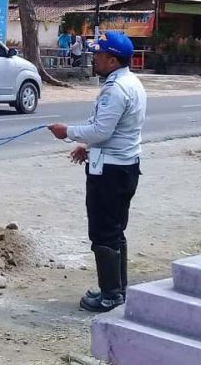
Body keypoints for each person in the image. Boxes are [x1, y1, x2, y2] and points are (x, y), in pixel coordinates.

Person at [47, 32, 146, 312]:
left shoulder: (116, 89)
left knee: (103, 233)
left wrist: (67, 133)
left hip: (111, 173)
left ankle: (111, 295)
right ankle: (117, 289)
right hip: (123, 167)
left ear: (112, 59)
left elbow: (102, 130)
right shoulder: (130, 82)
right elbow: (110, 130)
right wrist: (86, 147)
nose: (94, 58)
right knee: (115, 231)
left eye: (99, 54)